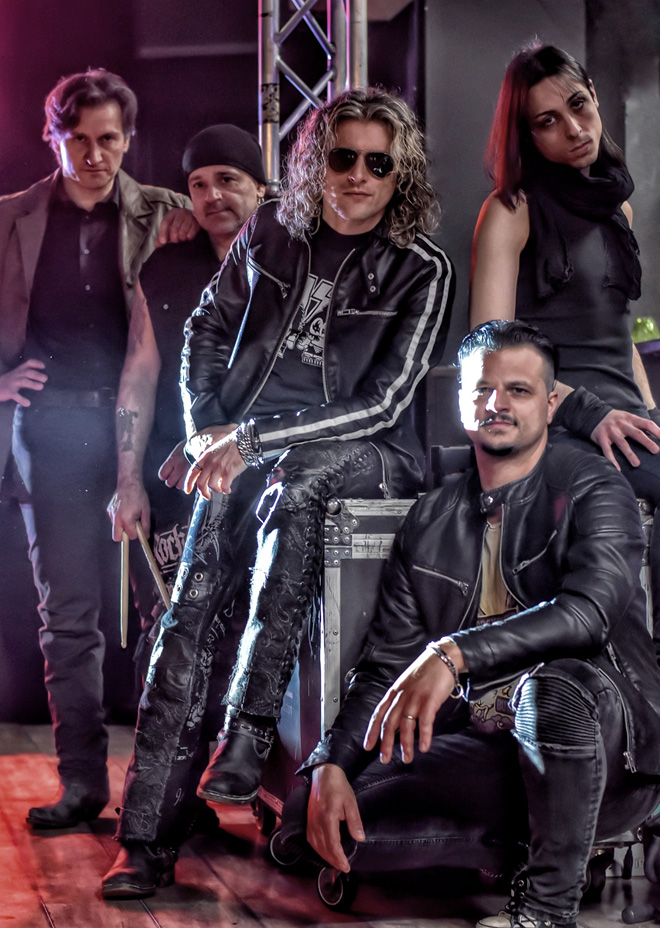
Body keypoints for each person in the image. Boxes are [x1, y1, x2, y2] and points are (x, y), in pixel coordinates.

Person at [101, 86, 454, 898]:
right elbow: (204, 327)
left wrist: (250, 440)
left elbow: (385, 402)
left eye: (379, 163)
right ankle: (145, 838)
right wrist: (205, 432)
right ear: (313, 162)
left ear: (400, 173)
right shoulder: (270, 229)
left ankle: (250, 732)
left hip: (360, 451)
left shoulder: (420, 267)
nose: (359, 175)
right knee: (188, 618)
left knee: (298, 489)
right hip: (243, 450)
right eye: (343, 157)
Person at [292, 319, 660, 928]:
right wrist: (331, 763)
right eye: (481, 390)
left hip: (605, 750)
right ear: (460, 402)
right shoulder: (431, 519)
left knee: (552, 690)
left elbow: (587, 615)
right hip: (493, 750)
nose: (496, 404)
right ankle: (537, 849)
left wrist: (453, 654)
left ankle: (545, 910)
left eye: (518, 390)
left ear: (550, 404)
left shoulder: (594, 486)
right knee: (319, 808)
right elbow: (385, 667)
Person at [0, 68, 195, 830]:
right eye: (77, 139)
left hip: (144, 438)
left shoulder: (170, 213)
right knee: (69, 617)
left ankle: (162, 786)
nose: (93, 154)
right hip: (49, 434)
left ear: (128, 139)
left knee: (167, 612)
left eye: (109, 139)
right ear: (52, 138)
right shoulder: (11, 218)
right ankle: (82, 782)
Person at [470, 43, 660, 644]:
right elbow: (488, 353)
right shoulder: (511, 210)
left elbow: (619, 333)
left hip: (623, 419)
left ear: (595, 97)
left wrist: (649, 413)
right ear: (526, 134)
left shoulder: (617, 207)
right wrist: (588, 411)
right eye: (548, 121)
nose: (574, 129)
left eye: (579, 105)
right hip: (559, 424)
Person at [106, 125, 266, 667]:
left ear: (261, 187)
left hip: (260, 476)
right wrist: (128, 481)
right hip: (174, 480)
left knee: (250, 636)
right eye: (198, 184)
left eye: (228, 179)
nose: (212, 194)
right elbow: (138, 374)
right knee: (170, 636)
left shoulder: (292, 267)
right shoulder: (166, 268)